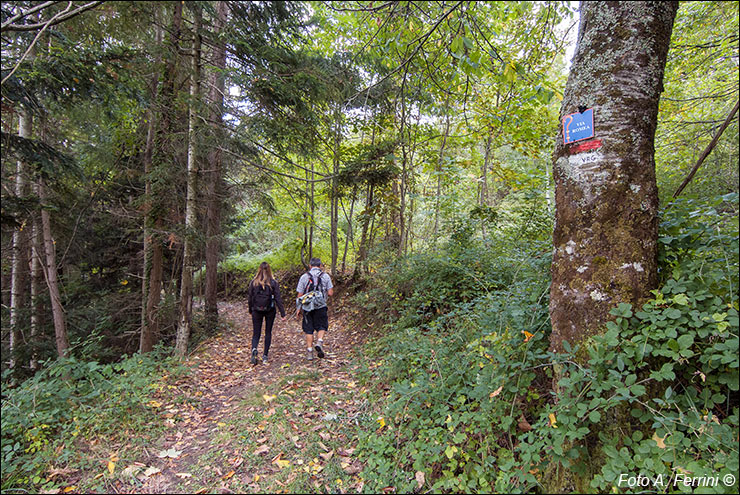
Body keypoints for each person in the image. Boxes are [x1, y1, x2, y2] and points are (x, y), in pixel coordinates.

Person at [247, 262, 286, 365]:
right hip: (270, 310)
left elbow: (250, 298)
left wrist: (250, 309)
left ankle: (254, 349)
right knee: (268, 332)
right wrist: (283, 313)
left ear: (259, 269)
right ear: (269, 270)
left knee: (256, 333)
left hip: (256, 310)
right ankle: (265, 355)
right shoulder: (273, 283)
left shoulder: (253, 283)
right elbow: (278, 299)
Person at [296, 257, 334, 360]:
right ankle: (319, 341)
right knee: (322, 325)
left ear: (310, 266)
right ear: (320, 266)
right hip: (321, 306)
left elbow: (300, 294)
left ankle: (309, 352)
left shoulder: (304, 277)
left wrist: (298, 309)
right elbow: (330, 293)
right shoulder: (325, 276)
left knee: (308, 329)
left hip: (308, 307)